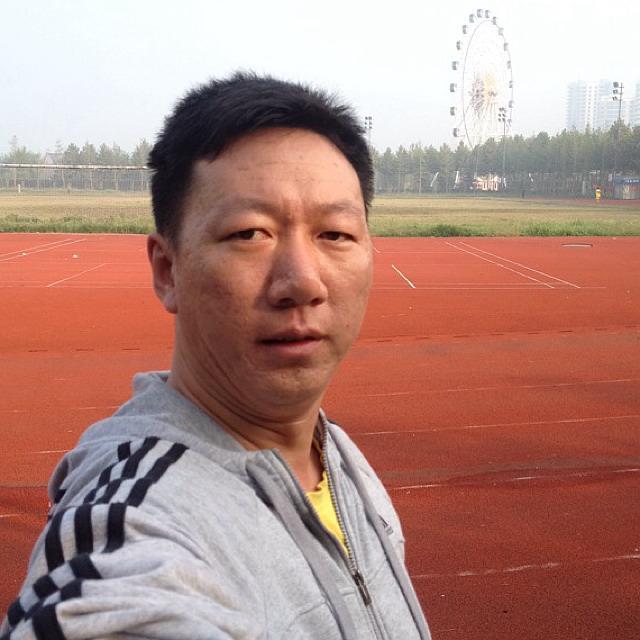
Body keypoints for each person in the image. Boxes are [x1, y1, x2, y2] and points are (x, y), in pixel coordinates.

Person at [1, 73, 431, 640]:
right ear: (167, 270)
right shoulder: (138, 521)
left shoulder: (341, 457)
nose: (303, 282)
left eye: (335, 234)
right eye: (250, 233)